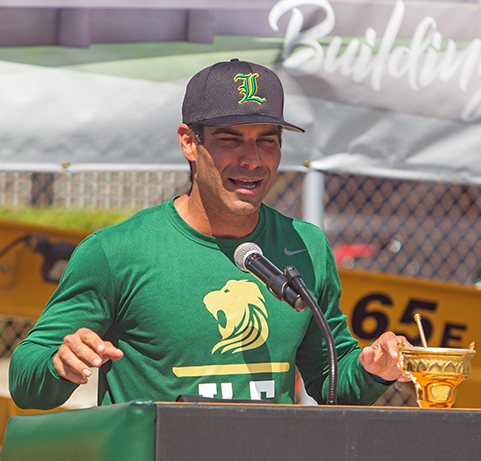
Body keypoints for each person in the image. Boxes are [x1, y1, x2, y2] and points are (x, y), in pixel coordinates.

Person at [9, 59, 409, 410]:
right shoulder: (116, 252)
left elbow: (331, 381)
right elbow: (26, 382)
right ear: (189, 141)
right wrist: (60, 364)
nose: (251, 159)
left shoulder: (307, 246)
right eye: (229, 139)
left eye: (266, 141)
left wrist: (374, 369)